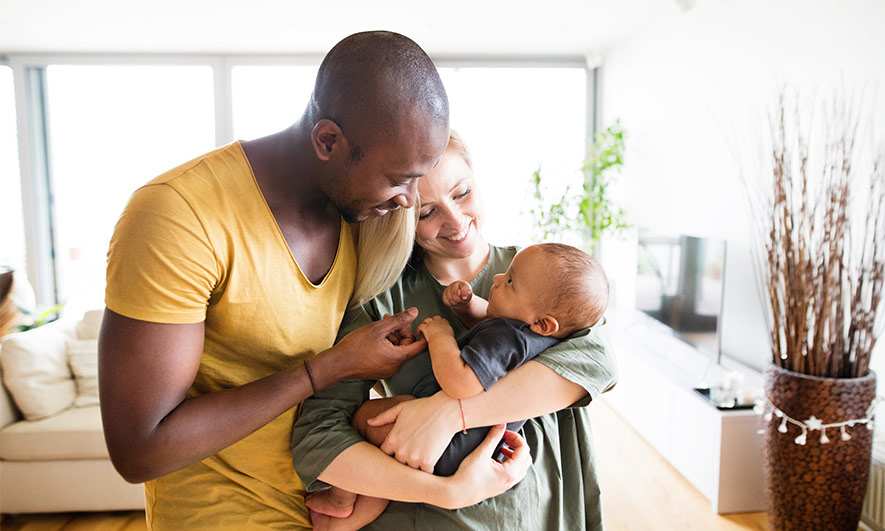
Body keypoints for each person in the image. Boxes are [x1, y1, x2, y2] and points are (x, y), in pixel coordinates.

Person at [98, 32, 529, 530]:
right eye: (399, 179)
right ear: (328, 141)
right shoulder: (178, 215)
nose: (410, 201)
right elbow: (140, 451)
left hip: (329, 509)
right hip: (222, 512)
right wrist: (325, 370)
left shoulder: (362, 218)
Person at [292, 132, 618, 530]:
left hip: (538, 514)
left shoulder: (552, 281)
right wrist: (445, 491)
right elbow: (317, 435)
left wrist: (447, 414)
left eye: (461, 193)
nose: (454, 222)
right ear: (399, 215)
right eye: (426, 213)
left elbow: (597, 365)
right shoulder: (382, 301)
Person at [306, 242, 610, 526]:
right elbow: (488, 326)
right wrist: (467, 308)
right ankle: (349, 518)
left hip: (453, 445)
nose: (499, 278)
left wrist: (441, 336)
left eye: (510, 283)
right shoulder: (529, 333)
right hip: (471, 446)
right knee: (388, 450)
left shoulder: (506, 336)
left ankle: (342, 499)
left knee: (367, 418)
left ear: (543, 323)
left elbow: (461, 383)